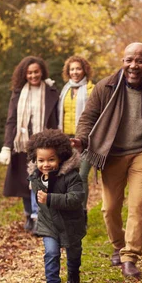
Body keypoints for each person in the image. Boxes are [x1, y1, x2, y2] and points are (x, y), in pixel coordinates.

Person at [72, 42, 142, 279]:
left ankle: (130, 257)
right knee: (109, 208)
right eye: (129, 60)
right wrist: (82, 140)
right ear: (122, 61)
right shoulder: (105, 87)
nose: (134, 66)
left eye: (140, 61)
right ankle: (118, 244)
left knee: (138, 204)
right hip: (111, 154)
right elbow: (87, 118)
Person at [0, 56, 59, 232]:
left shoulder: (50, 91)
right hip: (22, 144)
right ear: (24, 74)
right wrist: (7, 146)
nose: (33, 75)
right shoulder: (18, 92)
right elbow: (11, 120)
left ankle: (38, 217)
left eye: (36, 72)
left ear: (42, 72)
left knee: (41, 181)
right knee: (25, 183)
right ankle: (29, 215)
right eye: (30, 72)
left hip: (43, 144)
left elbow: (55, 118)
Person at [26, 129, 87, 283]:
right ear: (35, 160)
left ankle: (73, 272)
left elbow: (76, 199)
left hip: (71, 224)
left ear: (60, 157)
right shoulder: (36, 177)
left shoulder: (72, 176)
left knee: (73, 254)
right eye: (41, 160)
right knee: (51, 253)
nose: (46, 164)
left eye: (51, 160)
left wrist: (50, 198)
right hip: (49, 224)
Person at [58, 56, 95, 214]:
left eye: (78, 69)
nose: (75, 72)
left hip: (87, 139)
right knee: (68, 175)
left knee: (82, 175)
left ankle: (82, 211)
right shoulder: (65, 90)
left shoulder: (91, 89)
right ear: (68, 71)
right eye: (72, 69)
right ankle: (69, 210)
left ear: (84, 70)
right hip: (66, 138)